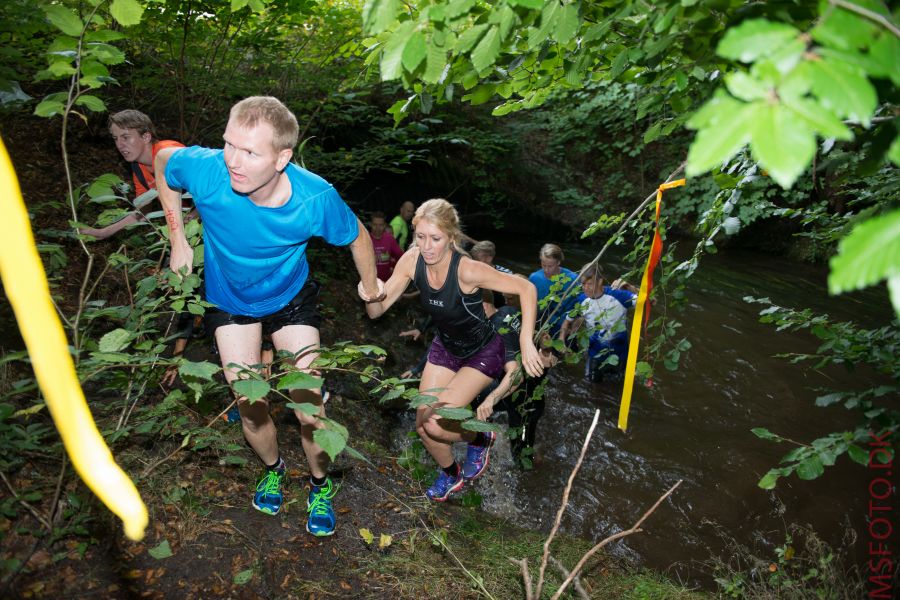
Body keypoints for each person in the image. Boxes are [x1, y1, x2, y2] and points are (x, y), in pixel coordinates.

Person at [153, 96, 383, 536]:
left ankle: (318, 485)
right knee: (251, 405)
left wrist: (370, 287)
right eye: (229, 145)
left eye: (251, 152)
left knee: (310, 407)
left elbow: (357, 236)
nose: (234, 162)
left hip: (290, 298)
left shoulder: (314, 197)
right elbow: (163, 160)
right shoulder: (209, 170)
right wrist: (178, 237)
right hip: (230, 300)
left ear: (282, 158)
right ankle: (274, 468)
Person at [363, 199, 544, 501]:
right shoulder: (411, 260)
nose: (427, 246)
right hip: (445, 348)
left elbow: (526, 288)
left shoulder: (468, 270)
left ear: (451, 237)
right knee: (423, 426)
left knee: (436, 424)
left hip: (482, 352)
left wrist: (525, 341)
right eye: (420, 237)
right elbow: (375, 311)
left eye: (435, 239)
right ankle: (450, 474)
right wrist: (369, 290)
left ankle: (480, 437)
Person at [473, 283, 558, 466]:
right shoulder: (508, 310)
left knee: (521, 454)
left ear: (482, 305)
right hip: (526, 386)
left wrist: (492, 399)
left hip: (526, 399)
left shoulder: (496, 331)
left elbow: (515, 374)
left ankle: (530, 477)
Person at [81, 110, 187, 240]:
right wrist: (104, 232)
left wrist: (193, 216)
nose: (119, 145)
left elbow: (214, 184)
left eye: (125, 137)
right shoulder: (139, 168)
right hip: (185, 227)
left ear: (146, 137)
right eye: (115, 138)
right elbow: (142, 212)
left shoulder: (171, 153)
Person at [558, 262, 638, 382]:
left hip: (620, 354)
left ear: (600, 281)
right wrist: (561, 338)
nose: (585, 288)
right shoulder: (582, 301)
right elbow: (567, 321)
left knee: (618, 387)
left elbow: (651, 301)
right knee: (592, 388)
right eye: (583, 284)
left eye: (590, 284)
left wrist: (630, 288)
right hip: (595, 354)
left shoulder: (619, 296)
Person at [528, 243, 579, 336]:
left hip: (564, 325)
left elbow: (579, 305)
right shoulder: (534, 278)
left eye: (550, 266)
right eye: (543, 265)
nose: (546, 270)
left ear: (558, 262)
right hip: (541, 324)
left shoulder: (572, 279)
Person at [471, 240, 512, 309]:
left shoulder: (506, 274)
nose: (474, 261)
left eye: (477, 258)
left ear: (489, 258)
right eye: (474, 257)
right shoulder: (472, 273)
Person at [369, 211, 404, 281]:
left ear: (384, 225)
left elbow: (401, 257)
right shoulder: (365, 239)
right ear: (370, 224)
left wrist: (395, 268)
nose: (377, 228)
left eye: (380, 225)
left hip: (387, 283)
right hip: (370, 283)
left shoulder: (389, 239)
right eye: (375, 224)